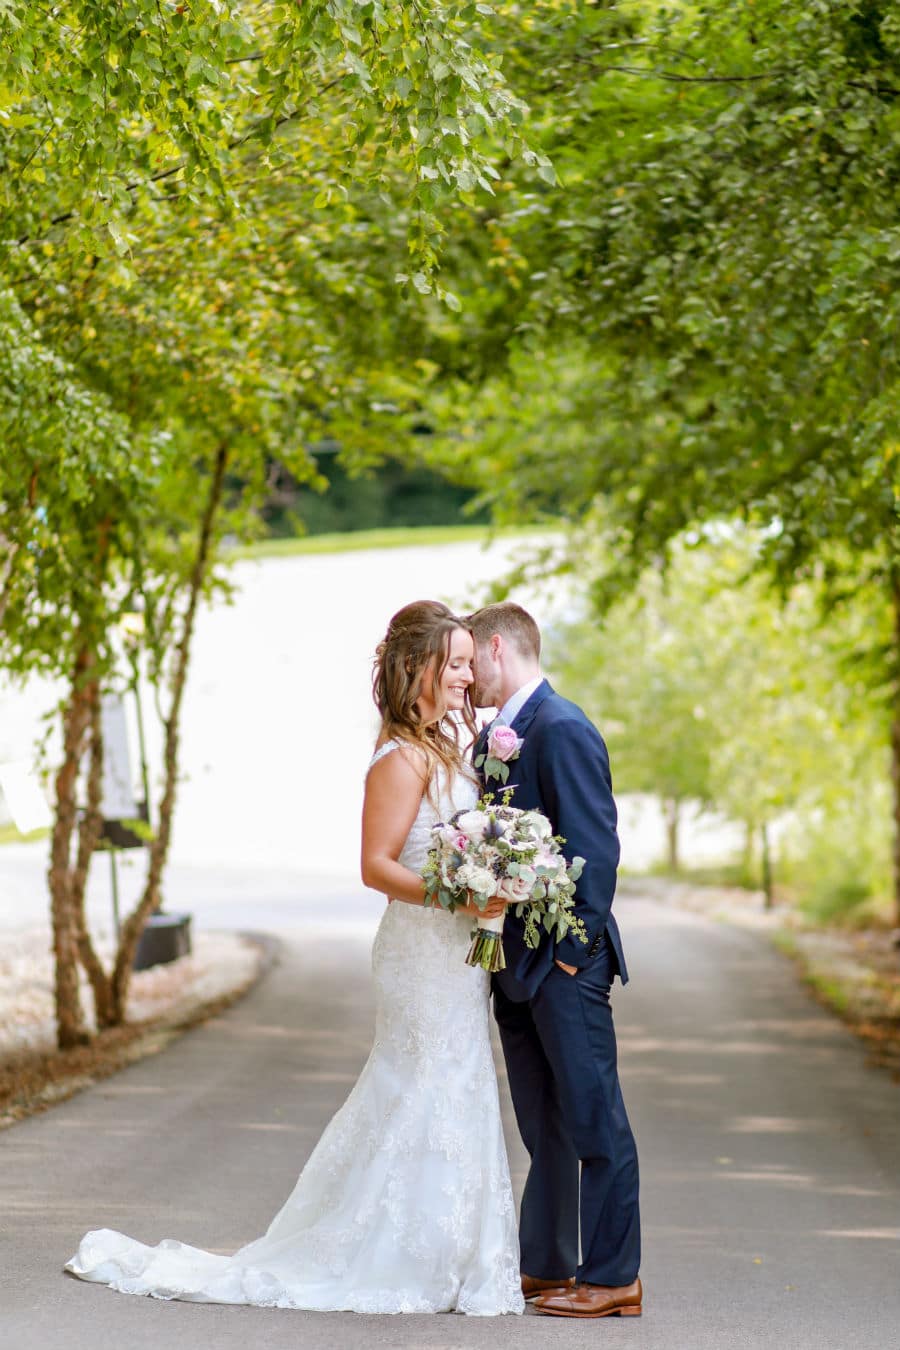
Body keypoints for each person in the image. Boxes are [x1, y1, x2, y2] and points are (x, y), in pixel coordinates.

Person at [64, 600, 524, 1318]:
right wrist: (461, 900)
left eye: (470, 663)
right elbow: (375, 867)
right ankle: (399, 1256)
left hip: (451, 957)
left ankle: (457, 1254)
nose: (469, 678)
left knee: (456, 1082)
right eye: (457, 664)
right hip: (419, 952)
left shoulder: (444, 748)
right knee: (424, 1083)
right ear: (418, 671)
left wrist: (490, 877)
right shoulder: (400, 758)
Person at [467, 600, 642, 1320]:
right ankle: (545, 1263)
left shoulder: (562, 727)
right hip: (514, 966)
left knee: (595, 1121)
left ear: (499, 648)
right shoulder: (497, 736)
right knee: (545, 1127)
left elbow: (595, 850)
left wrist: (571, 960)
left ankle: (613, 1276)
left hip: (564, 965)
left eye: (467, 658)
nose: (463, 674)